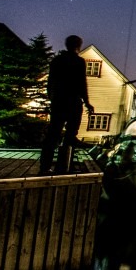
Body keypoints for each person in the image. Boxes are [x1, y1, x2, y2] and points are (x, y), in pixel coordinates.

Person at [40, 35, 93, 174]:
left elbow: (50, 82)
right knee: (70, 135)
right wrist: (87, 102)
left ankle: (45, 167)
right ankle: (63, 166)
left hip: (58, 101)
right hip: (73, 101)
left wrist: (52, 98)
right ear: (78, 46)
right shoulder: (78, 62)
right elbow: (82, 83)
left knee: (53, 134)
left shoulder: (56, 61)